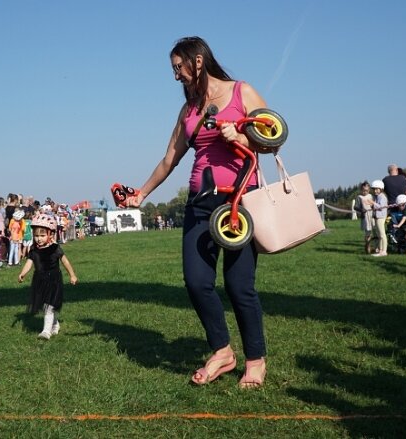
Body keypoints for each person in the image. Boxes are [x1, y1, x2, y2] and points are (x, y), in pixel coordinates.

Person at [124, 36, 270, 387]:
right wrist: (141, 193)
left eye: (179, 67)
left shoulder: (241, 92)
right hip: (199, 204)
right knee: (196, 282)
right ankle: (222, 352)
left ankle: (255, 359)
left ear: (199, 61)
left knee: (239, 286)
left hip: (238, 203)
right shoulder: (189, 109)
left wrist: (242, 136)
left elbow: (272, 137)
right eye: (173, 69)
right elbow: (169, 158)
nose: (176, 76)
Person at [17, 213, 78, 340]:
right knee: (47, 306)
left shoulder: (55, 248)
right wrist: (23, 273)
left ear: (50, 234)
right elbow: (30, 262)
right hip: (39, 280)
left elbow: (65, 262)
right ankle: (55, 324)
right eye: (36, 236)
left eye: (42, 235)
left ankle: (46, 331)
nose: (39, 238)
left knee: (49, 307)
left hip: (54, 280)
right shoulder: (34, 250)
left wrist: (72, 275)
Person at [369, 180, 389, 257]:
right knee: (379, 235)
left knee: (382, 234)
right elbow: (376, 206)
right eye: (374, 189)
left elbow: (381, 207)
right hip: (377, 217)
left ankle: (384, 251)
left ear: (381, 189)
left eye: (377, 189)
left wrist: (373, 203)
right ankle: (380, 250)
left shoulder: (382, 197)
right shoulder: (377, 197)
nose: (375, 191)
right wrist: (372, 205)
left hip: (381, 217)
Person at [353, 182, 374, 254]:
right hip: (365, 217)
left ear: (369, 190)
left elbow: (374, 205)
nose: (365, 192)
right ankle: (367, 247)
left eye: (367, 190)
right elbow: (355, 207)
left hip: (372, 216)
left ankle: (374, 247)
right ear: (361, 190)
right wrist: (361, 210)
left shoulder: (371, 196)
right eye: (364, 190)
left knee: (374, 232)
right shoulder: (359, 197)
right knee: (368, 233)